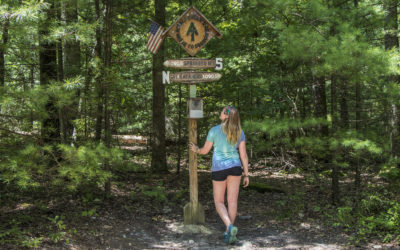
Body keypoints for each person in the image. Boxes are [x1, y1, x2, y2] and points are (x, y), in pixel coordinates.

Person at [189, 105, 249, 244]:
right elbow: (244, 155)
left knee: (219, 201)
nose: (220, 112)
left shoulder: (214, 130)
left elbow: (204, 151)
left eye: (222, 111)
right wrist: (246, 174)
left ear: (226, 116)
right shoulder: (240, 132)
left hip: (219, 168)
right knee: (232, 201)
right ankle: (229, 232)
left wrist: (196, 149)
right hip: (235, 167)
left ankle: (229, 226)